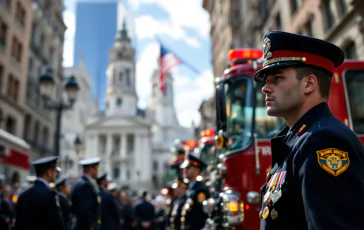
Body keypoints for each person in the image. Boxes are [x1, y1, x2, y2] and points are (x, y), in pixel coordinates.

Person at [253, 31, 364, 229]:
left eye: (277, 78)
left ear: (309, 83)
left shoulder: (323, 141)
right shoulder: (298, 141)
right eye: (266, 80)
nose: (265, 88)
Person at [15, 156, 64, 230]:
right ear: (49, 172)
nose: (56, 174)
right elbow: (56, 223)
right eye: (55, 171)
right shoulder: (50, 195)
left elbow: (18, 224)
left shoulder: (23, 195)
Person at [179, 154, 210, 230]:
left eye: (188, 167)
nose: (185, 170)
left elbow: (199, 219)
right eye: (185, 167)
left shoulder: (200, 191)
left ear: (197, 170)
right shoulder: (191, 190)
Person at [70, 157, 102, 230]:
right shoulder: (84, 185)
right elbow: (84, 212)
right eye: (95, 168)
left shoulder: (84, 183)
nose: (97, 171)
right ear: (91, 169)